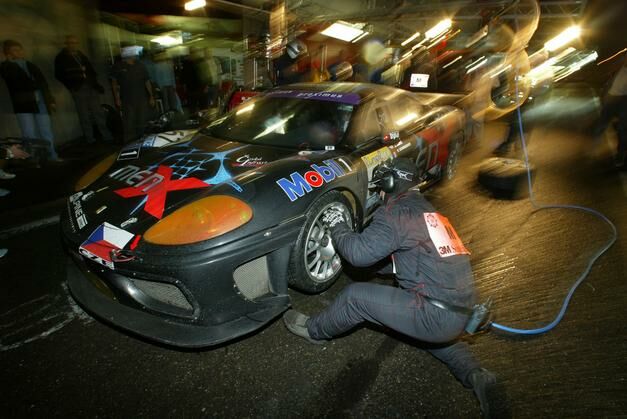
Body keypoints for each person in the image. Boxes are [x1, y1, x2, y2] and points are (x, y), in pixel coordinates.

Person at [283, 158, 504, 418]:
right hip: (460, 313)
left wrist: (337, 226)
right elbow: (410, 262)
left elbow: (359, 254)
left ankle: (313, 331)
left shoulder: (397, 212)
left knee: (356, 298)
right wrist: (373, 262)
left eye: (380, 188)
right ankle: (477, 376)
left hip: (436, 313)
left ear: (390, 183)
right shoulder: (430, 212)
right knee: (432, 338)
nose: (378, 195)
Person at [0, 40, 60, 161]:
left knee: (46, 131)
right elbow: (13, 80)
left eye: (20, 49)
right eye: (15, 50)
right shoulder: (6, 66)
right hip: (23, 104)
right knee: (29, 134)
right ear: (8, 54)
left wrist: (50, 100)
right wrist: (8, 61)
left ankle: (52, 156)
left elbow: (43, 83)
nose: (19, 52)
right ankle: (34, 159)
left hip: (41, 102)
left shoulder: (30, 65)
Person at [55, 35, 112, 144]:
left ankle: (106, 135)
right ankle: (90, 138)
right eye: (71, 43)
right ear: (66, 44)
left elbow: (90, 70)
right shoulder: (61, 57)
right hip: (78, 88)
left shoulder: (80, 55)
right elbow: (59, 74)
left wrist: (95, 84)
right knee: (84, 114)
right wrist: (72, 85)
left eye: (75, 43)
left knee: (98, 112)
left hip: (90, 87)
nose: (73, 45)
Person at [110, 46, 155, 143]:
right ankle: (130, 144)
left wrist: (151, 96)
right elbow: (114, 83)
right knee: (128, 123)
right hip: (126, 99)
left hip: (141, 98)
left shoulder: (141, 66)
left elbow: (147, 81)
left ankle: (142, 142)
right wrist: (117, 98)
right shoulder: (118, 66)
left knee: (142, 121)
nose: (135, 54)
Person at [595, 53, 627, 168]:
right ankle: (594, 145)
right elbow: (609, 82)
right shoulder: (620, 69)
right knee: (604, 122)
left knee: (622, 130)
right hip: (611, 98)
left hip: (622, 101)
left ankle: (621, 156)